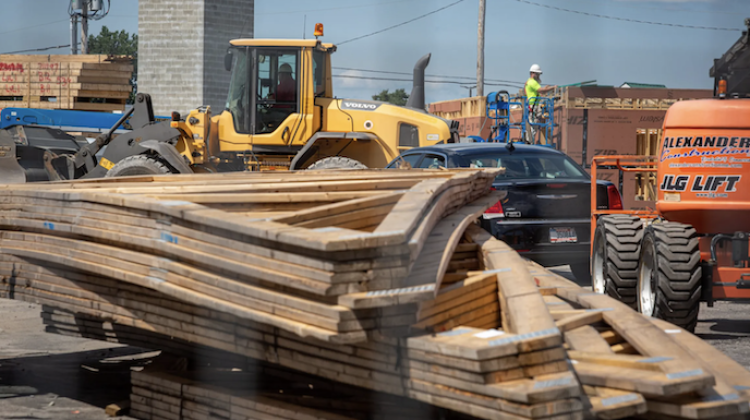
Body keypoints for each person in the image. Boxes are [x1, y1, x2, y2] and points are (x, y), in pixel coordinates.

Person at [524, 64, 546, 144]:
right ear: (534, 74)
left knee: (531, 124)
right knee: (534, 123)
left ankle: (529, 140)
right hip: (534, 107)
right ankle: (530, 141)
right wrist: (553, 88)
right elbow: (541, 90)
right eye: (538, 74)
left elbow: (525, 86)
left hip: (531, 106)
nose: (539, 76)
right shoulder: (533, 82)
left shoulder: (528, 82)